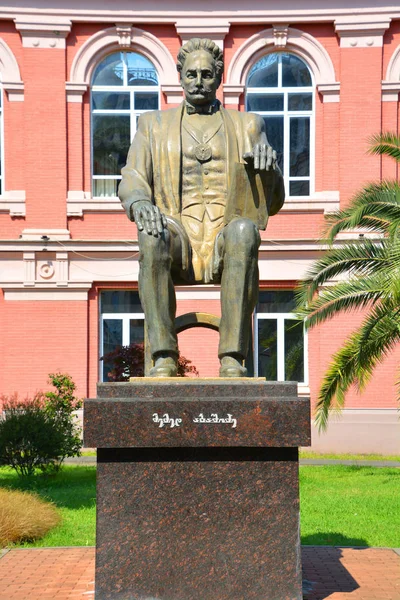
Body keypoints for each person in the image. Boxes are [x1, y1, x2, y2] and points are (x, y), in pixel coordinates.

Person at [119, 38, 285, 377]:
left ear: (219, 77)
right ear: (179, 76)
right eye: (191, 73)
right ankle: (163, 355)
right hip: (177, 232)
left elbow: (273, 202)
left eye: (206, 74)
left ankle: (232, 358)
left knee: (244, 231)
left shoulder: (249, 125)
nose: (198, 81)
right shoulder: (152, 125)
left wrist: (270, 170)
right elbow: (132, 176)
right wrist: (139, 203)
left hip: (224, 232)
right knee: (152, 237)